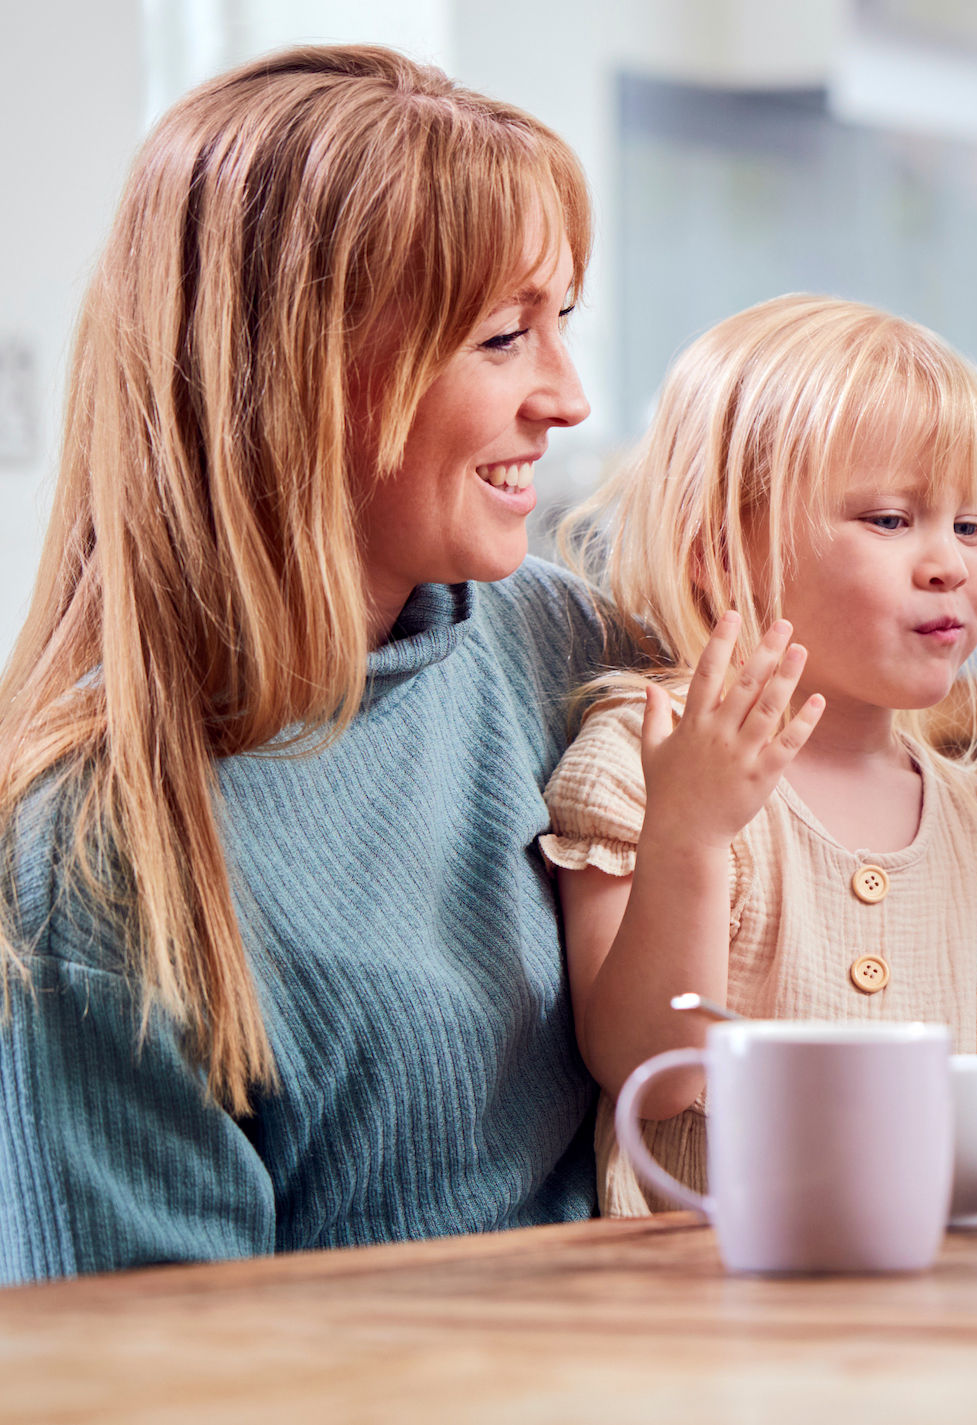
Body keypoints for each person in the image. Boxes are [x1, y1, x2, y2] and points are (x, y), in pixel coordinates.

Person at [0, 47, 617, 1281]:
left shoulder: (568, 650)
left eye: (560, 324)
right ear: (295, 375)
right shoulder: (94, 846)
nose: (569, 396)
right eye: (502, 336)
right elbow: (144, 1374)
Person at [542, 294, 977, 1215]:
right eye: (891, 520)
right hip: (702, 1306)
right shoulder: (650, 762)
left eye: (971, 526)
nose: (950, 565)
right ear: (718, 553)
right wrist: (688, 835)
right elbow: (651, 1067)